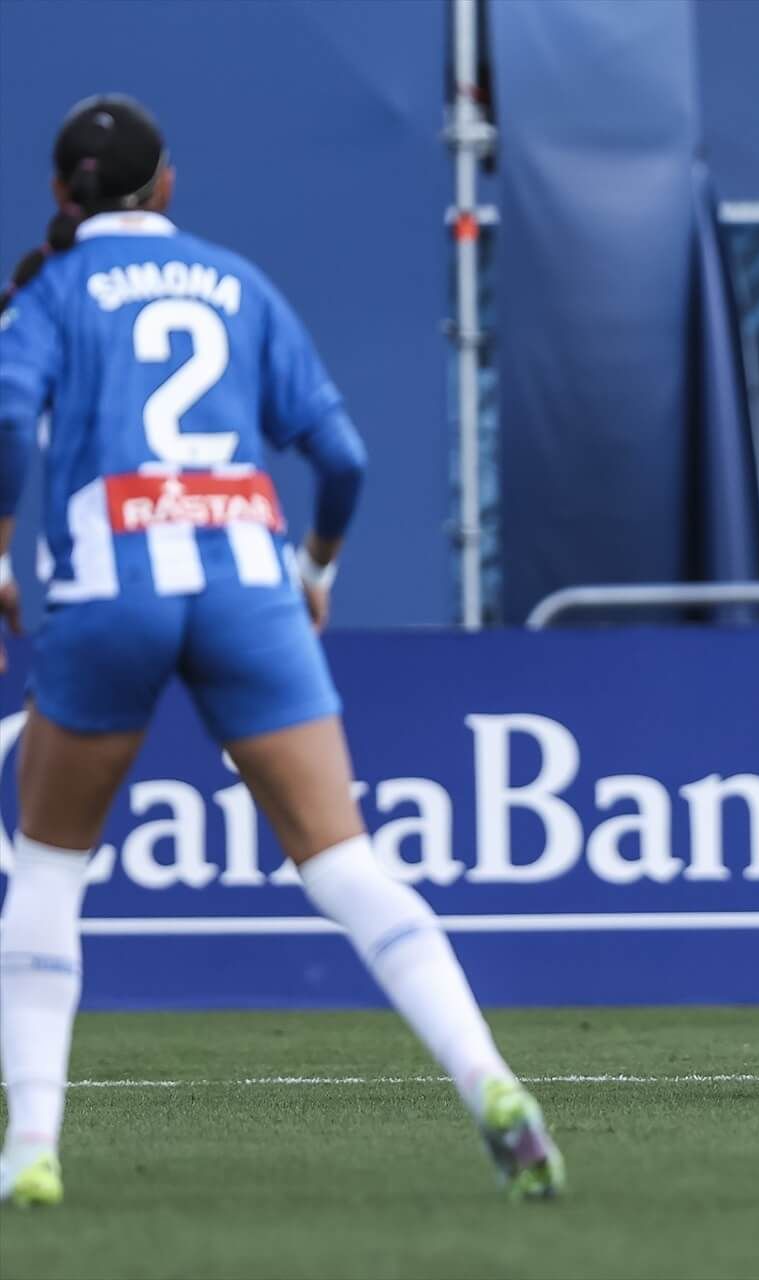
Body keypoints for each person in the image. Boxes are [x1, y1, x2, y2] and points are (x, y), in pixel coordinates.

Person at [0, 96, 562, 1205]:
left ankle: (31, 1150)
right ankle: (493, 1084)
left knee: (52, 866)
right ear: (167, 184)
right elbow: (341, 455)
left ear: (63, 195)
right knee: (343, 859)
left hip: (114, 579)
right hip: (248, 576)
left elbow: (12, 424)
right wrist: (316, 568)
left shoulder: (49, 293)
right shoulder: (237, 283)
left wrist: (6, 553)